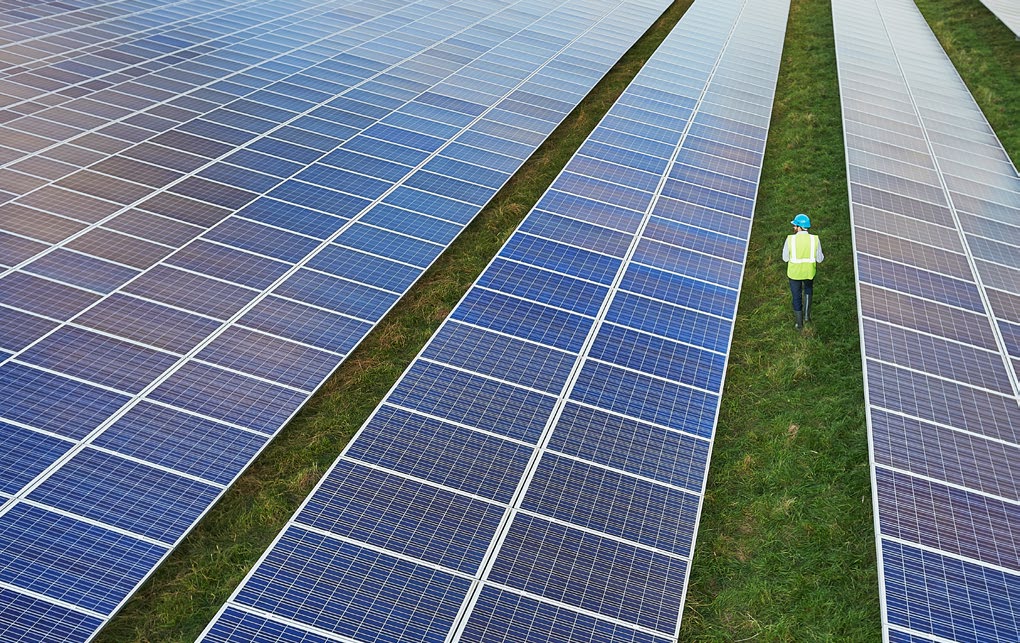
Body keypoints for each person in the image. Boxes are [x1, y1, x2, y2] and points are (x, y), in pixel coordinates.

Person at [783, 213, 823, 330]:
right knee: (808, 290)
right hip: (809, 272)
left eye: (795, 225)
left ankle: (799, 324)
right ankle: (806, 316)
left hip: (794, 274)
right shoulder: (815, 239)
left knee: (796, 296)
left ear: (800, 227)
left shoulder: (790, 239)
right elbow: (820, 259)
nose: (794, 227)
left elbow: (785, 258)